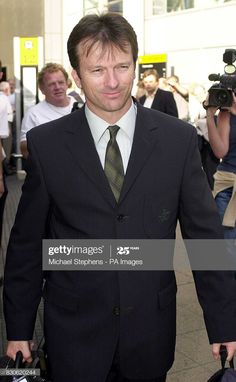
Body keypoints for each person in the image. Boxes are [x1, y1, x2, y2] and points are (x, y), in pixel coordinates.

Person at [3, 12, 236, 382]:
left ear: (135, 65)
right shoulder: (48, 146)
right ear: (77, 77)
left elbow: (204, 238)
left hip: (150, 331)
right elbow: (27, 245)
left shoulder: (177, 141)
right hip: (73, 332)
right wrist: (18, 328)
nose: (112, 82)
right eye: (97, 71)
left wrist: (224, 323)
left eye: (122, 67)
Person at [20, 62, 76, 158]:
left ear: (67, 84)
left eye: (61, 82)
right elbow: (24, 149)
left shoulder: (81, 106)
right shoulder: (34, 114)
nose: (57, 87)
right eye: (51, 84)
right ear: (42, 89)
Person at [205, 92, 236, 250]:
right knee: (226, 245)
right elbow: (220, 152)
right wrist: (210, 116)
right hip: (227, 186)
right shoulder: (226, 113)